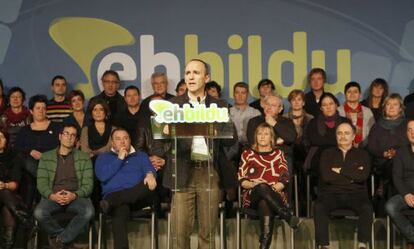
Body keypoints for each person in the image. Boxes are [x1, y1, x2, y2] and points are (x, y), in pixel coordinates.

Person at [163, 59, 236, 249]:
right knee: (180, 233)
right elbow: (160, 142)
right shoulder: (173, 105)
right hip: (181, 170)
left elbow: (231, 138)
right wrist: (167, 134)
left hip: (209, 172)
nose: (191, 77)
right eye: (187, 73)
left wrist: (212, 127)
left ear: (206, 77)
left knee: (208, 233)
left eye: (196, 72)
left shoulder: (219, 106)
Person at [239, 123, 300, 249]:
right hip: (252, 194)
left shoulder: (278, 154)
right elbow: (241, 179)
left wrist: (269, 191)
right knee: (261, 187)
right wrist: (256, 185)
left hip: (275, 194)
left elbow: (284, 178)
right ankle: (287, 216)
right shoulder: (247, 154)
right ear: (255, 136)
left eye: (266, 134)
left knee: (264, 202)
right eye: (259, 134)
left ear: (271, 138)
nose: (262, 137)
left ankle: (264, 245)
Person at [34, 124, 94, 249]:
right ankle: (66, 241)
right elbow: (41, 183)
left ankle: (60, 240)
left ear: (76, 140)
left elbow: (88, 185)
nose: (69, 137)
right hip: (53, 195)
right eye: (66, 134)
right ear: (60, 136)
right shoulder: (46, 157)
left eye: (73, 135)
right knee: (39, 213)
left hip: (76, 196)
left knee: (89, 211)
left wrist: (74, 195)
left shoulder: (84, 158)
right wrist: (52, 196)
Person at [313, 122, 373, 249]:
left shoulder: (363, 154)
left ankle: (362, 245)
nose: (343, 136)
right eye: (339, 133)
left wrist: (340, 171)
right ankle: (324, 246)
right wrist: (352, 175)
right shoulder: (327, 154)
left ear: (353, 136)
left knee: (367, 208)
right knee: (319, 207)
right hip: (331, 194)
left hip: (356, 195)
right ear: (336, 136)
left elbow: (363, 176)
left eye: (346, 133)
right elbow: (327, 176)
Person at [95, 128, 157, 249]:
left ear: (130, 140)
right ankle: (115, 202)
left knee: (148, 185)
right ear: (112, 143)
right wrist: (119, 159)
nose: (122, 142)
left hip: (137, 198)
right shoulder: (103, 157)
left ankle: (112, 202)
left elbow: (149, 169)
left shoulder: (141, 155)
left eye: (125, 138)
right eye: (118, 139)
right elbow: (102, 176)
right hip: (117, 200)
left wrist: (150, 174)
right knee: (119, 212)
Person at [15, 95, 60, 207]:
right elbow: (17, 148)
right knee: (25, 168)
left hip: (51, 164)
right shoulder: (24, 130)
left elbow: (62, 147)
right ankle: (43, 180)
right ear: (31, 111)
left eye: (44, 108)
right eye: (38, 108)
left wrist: (45, 156)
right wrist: (30, 151)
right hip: (30, 167)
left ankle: (28, 214)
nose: (41, 111)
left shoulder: (57, 128)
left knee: (30, 179)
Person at [368, 94, 409, 210]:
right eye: (388, 104)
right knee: (394, 164)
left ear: (400, 108)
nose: (391, 107)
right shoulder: (376, 127)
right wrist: (384, 154)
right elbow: (371, 147)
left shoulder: (407, 125)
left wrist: (397, 153)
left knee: (397, 162)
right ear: (384, 107)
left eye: (395, 104)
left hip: (406, 163)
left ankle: (383, 188)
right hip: (382, 163)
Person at [304, 93, 348, 198]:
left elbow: (348, 141)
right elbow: (314, 140)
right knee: (324, 159)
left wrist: (325, 142)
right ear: (321, 108)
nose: (328, 107)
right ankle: (324, 197)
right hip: (318, 156)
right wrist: (336, 141)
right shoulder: (313, 122)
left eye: (331, 104)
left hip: (342, 156)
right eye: (324, 105)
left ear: (336, 105)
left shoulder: (345, 122)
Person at [246, 93, 297, 174]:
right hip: (259, 156)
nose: (269, 107)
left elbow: (291, 138)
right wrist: (276, 141)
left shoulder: (287, 122)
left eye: (273, 105)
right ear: (263, 105)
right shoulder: (254, 121)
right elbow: (253, 142)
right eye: (267, 104)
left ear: (280, 109)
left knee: (286, 159)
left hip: (281, 157)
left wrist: (274, 124)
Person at [283, 89, 313, 216]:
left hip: (306, 154)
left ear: (303, 103)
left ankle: (306, 209)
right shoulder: (283, 119)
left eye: (299, 99)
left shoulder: (311, 119)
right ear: (290, 102)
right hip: (289, 154)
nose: (296, 102)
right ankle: (289, 207)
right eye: (293, 99)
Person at [385, 120, 414, 249]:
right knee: (390, 206)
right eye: (409, 130)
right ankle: (412, 237)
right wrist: (406, 194)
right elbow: (396, 176)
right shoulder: (401, 152)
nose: (413, 132)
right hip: (406, 192)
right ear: (406, 133)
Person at [0, 128, 30, 249]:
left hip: (8, 195)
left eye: (1, 137)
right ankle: (26, 218)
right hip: (10, 198)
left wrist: (4, 185)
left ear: (6, 141)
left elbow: (15, 184)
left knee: (6, 203)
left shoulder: (14, 157)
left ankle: (8, 244)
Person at [338, 82, 375, 147]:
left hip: (364, 149)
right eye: (349, 92)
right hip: (342, 148)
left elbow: (373, 132)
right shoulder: (338, 111)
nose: (352, 94)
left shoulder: (367, 111)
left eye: (355, 92)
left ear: (360, 94)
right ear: (345, 94)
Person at [229, 82, 261, 147]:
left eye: (243, 93)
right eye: (237, 93)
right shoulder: (227, 113)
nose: (240, 96)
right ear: (233, 94)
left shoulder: (256, 113)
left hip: (251, 147)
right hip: (231, 148)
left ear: (247, 95)